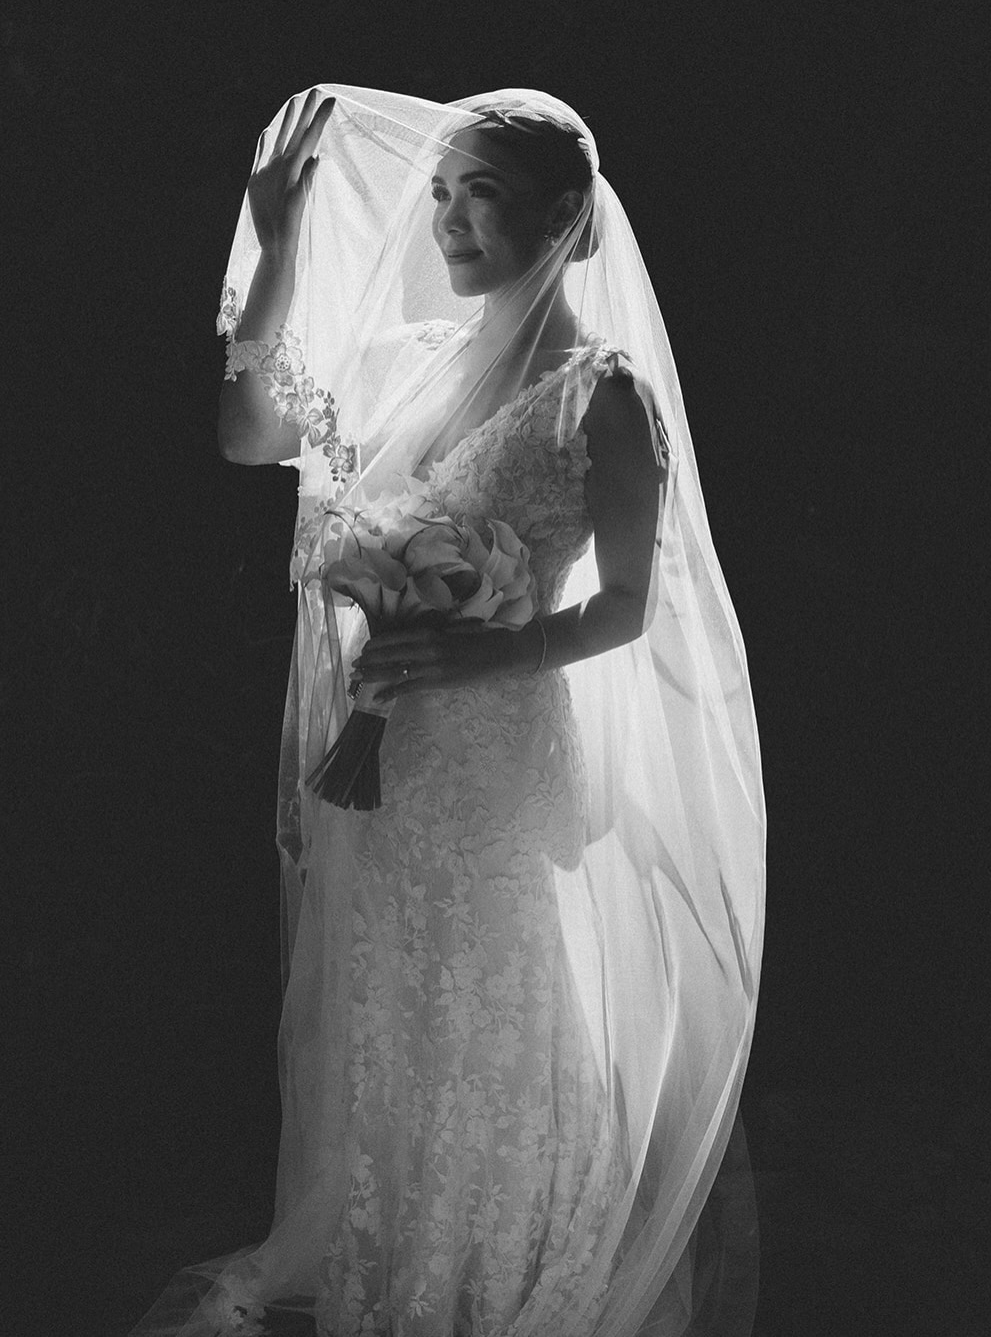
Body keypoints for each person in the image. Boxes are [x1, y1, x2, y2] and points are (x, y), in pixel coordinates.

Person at [131, 87, 765, 1337]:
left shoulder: (604, 396)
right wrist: (272, 246)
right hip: (384, 744)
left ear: (563, 218)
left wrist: (466, 660)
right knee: (386, 1008)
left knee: (492, 1009)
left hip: (489, 748)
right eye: (438, 192)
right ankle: (395, 1256)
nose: (448, 219)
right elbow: (250, 434)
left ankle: (484, 1273)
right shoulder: (420, 363)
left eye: (478, 192)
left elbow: (629, 605)